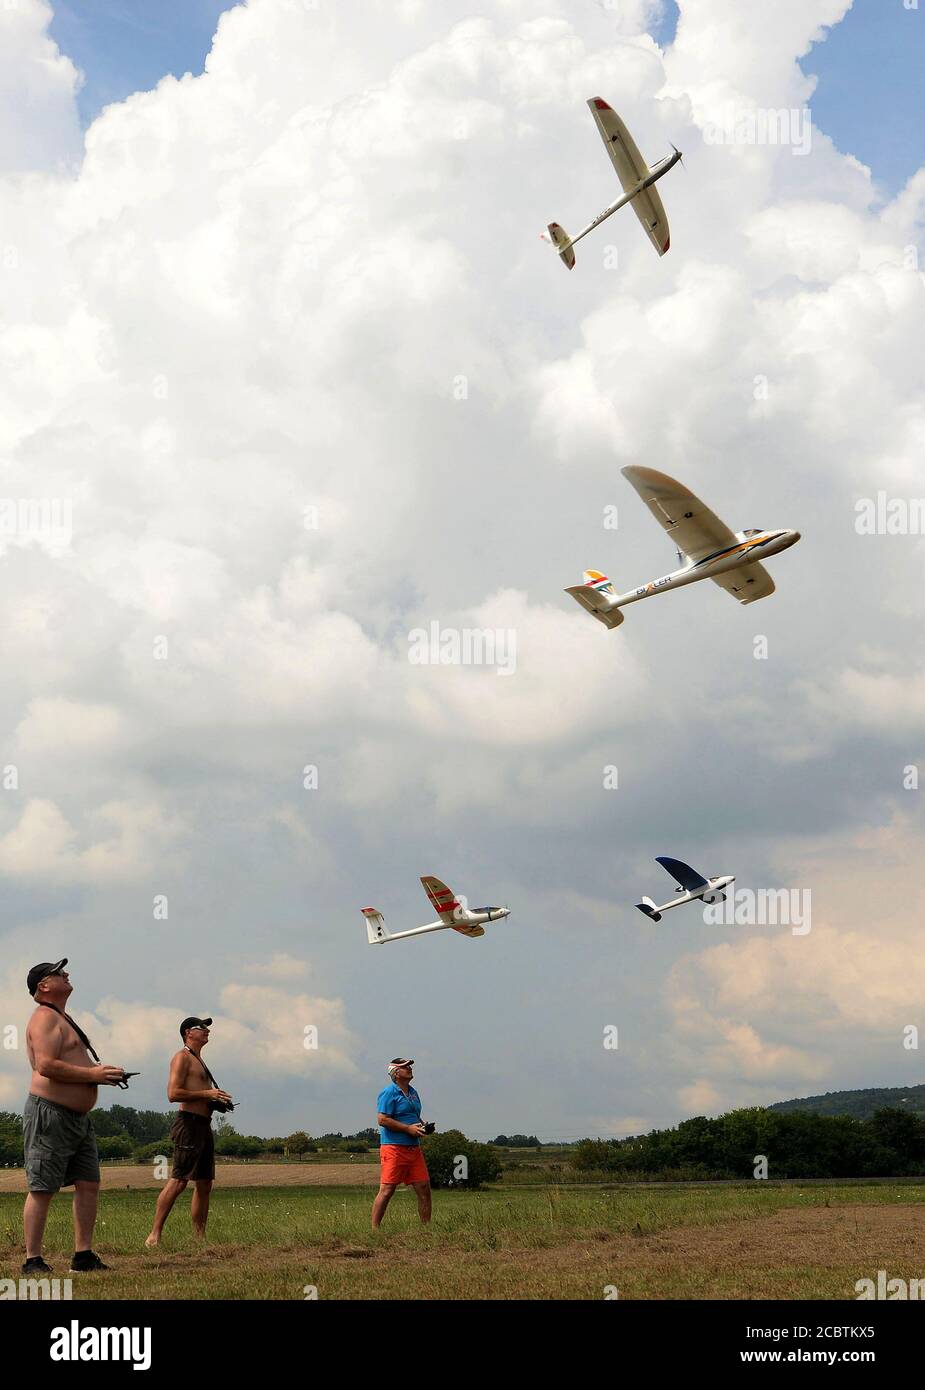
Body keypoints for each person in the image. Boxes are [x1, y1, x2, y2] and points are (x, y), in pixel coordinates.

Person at [22, 958, 127, 1274]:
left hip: (77, 1119)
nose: (66, 974)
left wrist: (100, 1075)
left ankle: (83, 1257)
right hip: (49, 1115)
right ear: (44, 985)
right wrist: (94, 1074)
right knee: (42, 1186)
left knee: (88, 1183)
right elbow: (46, 1066)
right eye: (58, 972)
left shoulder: (61, 1018)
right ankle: (32, 1260)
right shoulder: (43, 1018)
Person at [144, 1017, 233, 1247]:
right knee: (179, 1181)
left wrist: (216, 1100)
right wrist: (208, 1095)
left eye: (207, 1027)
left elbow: (197, 1092)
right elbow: (173, 1093)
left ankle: (199, 1239)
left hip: (203, 1125)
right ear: (187, 1033)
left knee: (204, 1183)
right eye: (201, 1028)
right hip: (189, 1125)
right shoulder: (181, 1057)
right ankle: (154, 1235)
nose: (206, 1031)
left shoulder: (199, 1060)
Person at [372, 1057, 431, 1230]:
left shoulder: (413, 1092)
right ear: (395, 1073)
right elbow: (382, 1119)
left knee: (424, 1188)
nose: (410, 1069)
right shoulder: (388, 1092)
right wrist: (407, 1129)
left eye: (409, 1066)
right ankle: (375, 1230)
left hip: (414, 1148)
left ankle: (426, 1229)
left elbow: (413, 1115)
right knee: (387, 1189)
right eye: (405, 1067)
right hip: (394, 1148)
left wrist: (421, 1126)